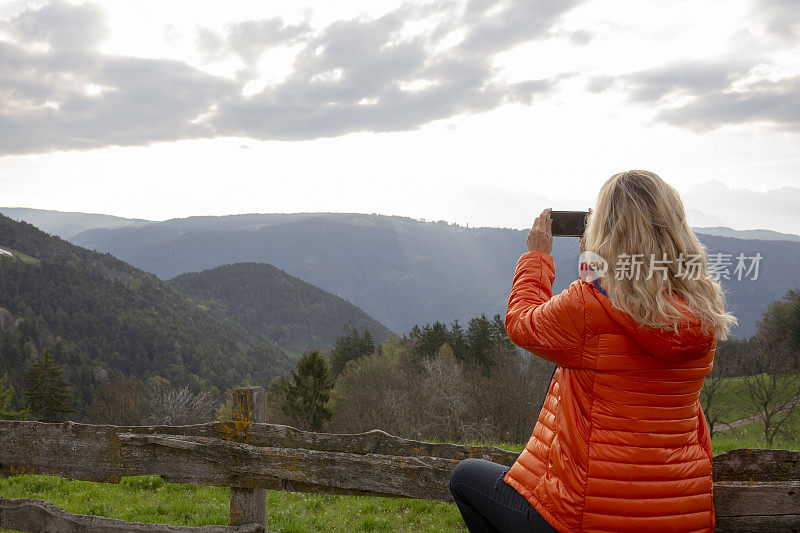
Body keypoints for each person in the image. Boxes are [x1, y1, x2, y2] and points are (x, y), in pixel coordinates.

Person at [449, 170, 737, 532]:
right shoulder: (703, 312)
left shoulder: (587, 307)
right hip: (679, 516)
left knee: (465, 477)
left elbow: (523, 323)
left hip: (585, 518)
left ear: (607, 228)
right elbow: (623, 307)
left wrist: (537, 257)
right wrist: (593, 264)